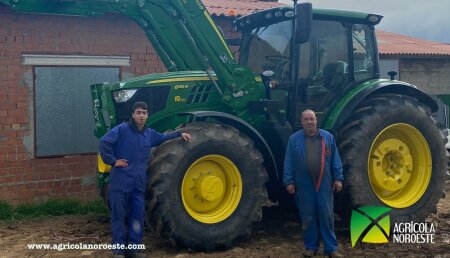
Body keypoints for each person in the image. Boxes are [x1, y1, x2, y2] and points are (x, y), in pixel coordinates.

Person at [99, 101, 191, 258]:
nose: (141, 115)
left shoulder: (149, 134)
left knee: (137, 216)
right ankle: (118, 251)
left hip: (138, 183)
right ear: (133, 115)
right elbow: (104, 142)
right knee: (119, 217)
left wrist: (179, 134)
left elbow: (163, 138)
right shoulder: (122, 130)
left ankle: (134, 250)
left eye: (144, 113)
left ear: (147, 115)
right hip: (121, 181)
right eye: (139, 112)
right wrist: (113, 161)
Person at [283, 109, 344, 258]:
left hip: (324, 183)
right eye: (306, 119)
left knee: (327, 216)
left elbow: (335, 160)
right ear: (301, 122)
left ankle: (331, 249)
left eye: (312, 119)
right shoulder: (294, 140)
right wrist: (288, 181)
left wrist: (338, 178)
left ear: (316, 120)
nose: (309, 122)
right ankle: (311, 247)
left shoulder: (328, 138)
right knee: (307, 216)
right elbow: (288, 162)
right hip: (304, 185)